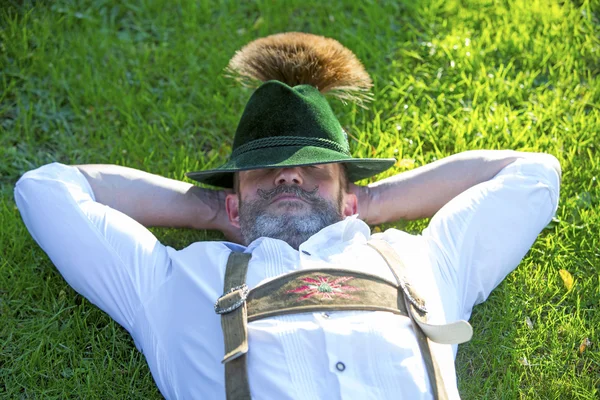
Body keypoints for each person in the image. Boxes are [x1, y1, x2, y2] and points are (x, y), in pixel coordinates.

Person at [15, 32, 560, 399]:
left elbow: (534, 175)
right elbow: (46, 190)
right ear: (233, 202)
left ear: (349, 198)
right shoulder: (173, 280)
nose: (289, 177)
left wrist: (367, 204)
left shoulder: (422, 261)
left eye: (312, 170)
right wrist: (209, 210)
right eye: (263, 172)